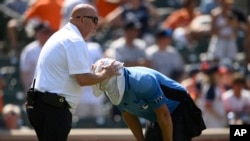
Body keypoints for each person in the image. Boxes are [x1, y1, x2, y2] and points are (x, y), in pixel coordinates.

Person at [25, 4, 119, 141]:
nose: (96, 25)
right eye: (94, 20)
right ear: (81, 19)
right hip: (53, 108)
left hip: (41, 104)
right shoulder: (75, 40)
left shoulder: (62, 35)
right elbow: (83, 80)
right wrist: (106, 73)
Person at [92, 58, 206, 141]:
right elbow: (127, 113)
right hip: (156, 114)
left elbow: (164, 114)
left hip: (179, 108)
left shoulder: (143, 81)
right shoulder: (109, 90)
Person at [20, 22, 54, 93]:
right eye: (43, 33)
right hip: (35, 90)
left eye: (48, 32)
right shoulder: (29, 50)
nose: (46, 35)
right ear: (37, 34)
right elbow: (25, 73)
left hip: (53, 90)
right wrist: (28, 90)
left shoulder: (56, 48)